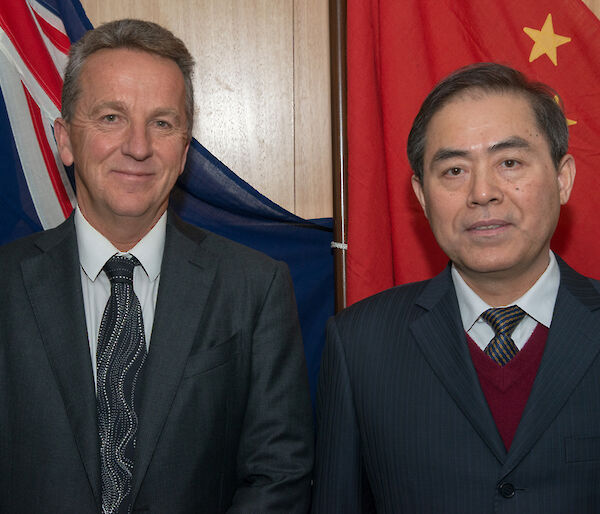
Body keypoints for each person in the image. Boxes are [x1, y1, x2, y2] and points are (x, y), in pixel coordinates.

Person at [0, 19, 313, 513]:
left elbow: (279, 472)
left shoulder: (254, 286)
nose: (139, 147)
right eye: (111, 118)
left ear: (185, 151)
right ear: (64, 140)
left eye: (162, 123)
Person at [312, 62, 600, 513]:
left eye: (509, 162)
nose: (482, 193)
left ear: (562, 179)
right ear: (422, 196)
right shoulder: (359, 344)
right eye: (453, 171)